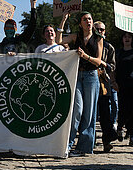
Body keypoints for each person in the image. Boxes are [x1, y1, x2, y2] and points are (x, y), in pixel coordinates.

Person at [56, 11, 103, 156]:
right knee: (77, 110)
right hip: (77, 75)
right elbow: (58, 41)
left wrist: (85, 56)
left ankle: (84, 147)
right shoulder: (76, 37)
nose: (88, 21)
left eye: (90, 19)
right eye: (85, 19)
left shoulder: (98, 38)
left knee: (89, 114)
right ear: (80, 23)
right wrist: (63, 20)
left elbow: (99, 61)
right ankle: (68, 145)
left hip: (91, 76)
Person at [94, 21, 118, 152]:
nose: (100, 31)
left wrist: (103, 64)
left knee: (105, 113)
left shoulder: (109, 47)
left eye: (102, 29)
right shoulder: (89, 44)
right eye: (97, 29)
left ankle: (106, 141)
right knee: (90, 112)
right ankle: (90, 140)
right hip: (90, 81)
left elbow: (112, 66)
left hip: (104, 82)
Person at [115, 32, 133, 145]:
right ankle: (120, 127)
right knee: (122, 108)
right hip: (120, 85)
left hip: (132, 84)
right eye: (125, 37)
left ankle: (131, 134)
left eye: (129, 37)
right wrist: (114, 82)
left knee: (132, 110)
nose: (127, 39)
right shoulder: (118, 53)